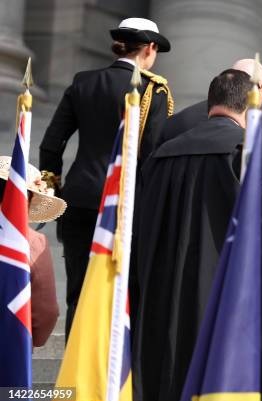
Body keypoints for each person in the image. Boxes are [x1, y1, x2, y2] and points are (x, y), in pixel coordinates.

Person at [133, 70, 262, 401]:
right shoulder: (257, 151)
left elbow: (143, 226)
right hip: (230, 289)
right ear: (249, 106)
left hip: (167, 292)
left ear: (210, 104)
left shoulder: (164, 154)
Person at [38, 17, 173, 339]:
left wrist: (52, 186)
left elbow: (51, 144)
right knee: (124, 292)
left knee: (79, 293)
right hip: (125, 205)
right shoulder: (152, 89)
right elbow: (153, 153)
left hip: (80, 199)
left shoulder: (83, 82)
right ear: (150, 48)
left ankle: (74, 376)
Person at [0, 157, 66, 347]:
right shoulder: (33, 242)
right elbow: (47, 311)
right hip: (10, 349)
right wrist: (29, 342)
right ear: (26, 200)